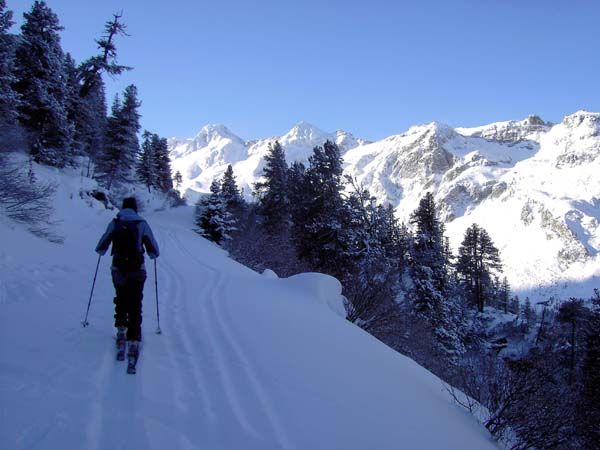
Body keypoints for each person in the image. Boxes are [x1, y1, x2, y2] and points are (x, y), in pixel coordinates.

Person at [95, 197, 159, 360]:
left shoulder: (116, 222)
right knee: (136, 301)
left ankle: (121, 328)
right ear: (136, 208)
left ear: (123, 208)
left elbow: (101, 245)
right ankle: (134, 337)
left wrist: (103, 251)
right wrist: (151, 253)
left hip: (118, 269)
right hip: (137, 270)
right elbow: (154, 250)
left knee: (121, 298)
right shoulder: (141, 223)